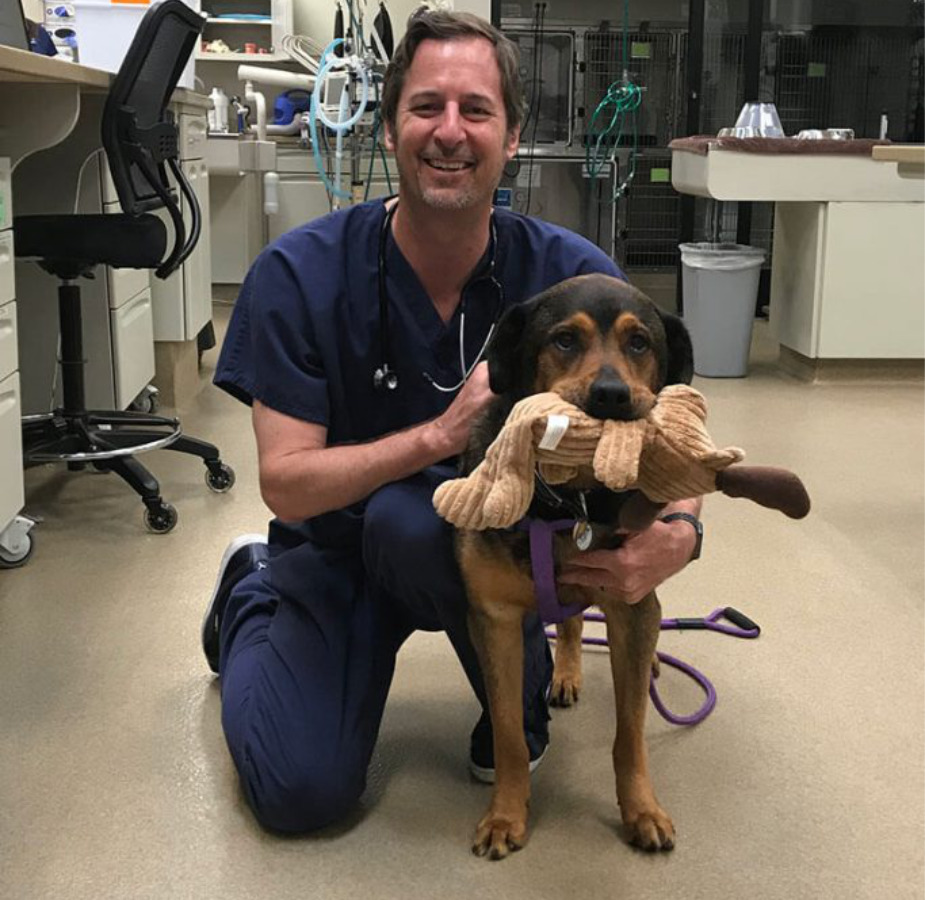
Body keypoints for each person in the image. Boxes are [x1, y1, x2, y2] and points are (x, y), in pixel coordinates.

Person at [204, 10, 702, 834]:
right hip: (334, 549)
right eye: (425, 107)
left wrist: (676, 532)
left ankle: (517, 696)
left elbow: (668, 432)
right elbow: (288, 484)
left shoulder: (576, 280)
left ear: (510, 137)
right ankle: (245, 593)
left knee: (417, 524)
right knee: (301, 794)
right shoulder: (301, 273)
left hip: (510, 544)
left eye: (476, 110)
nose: (449, 132)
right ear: (388, 124)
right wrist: (436, 439)